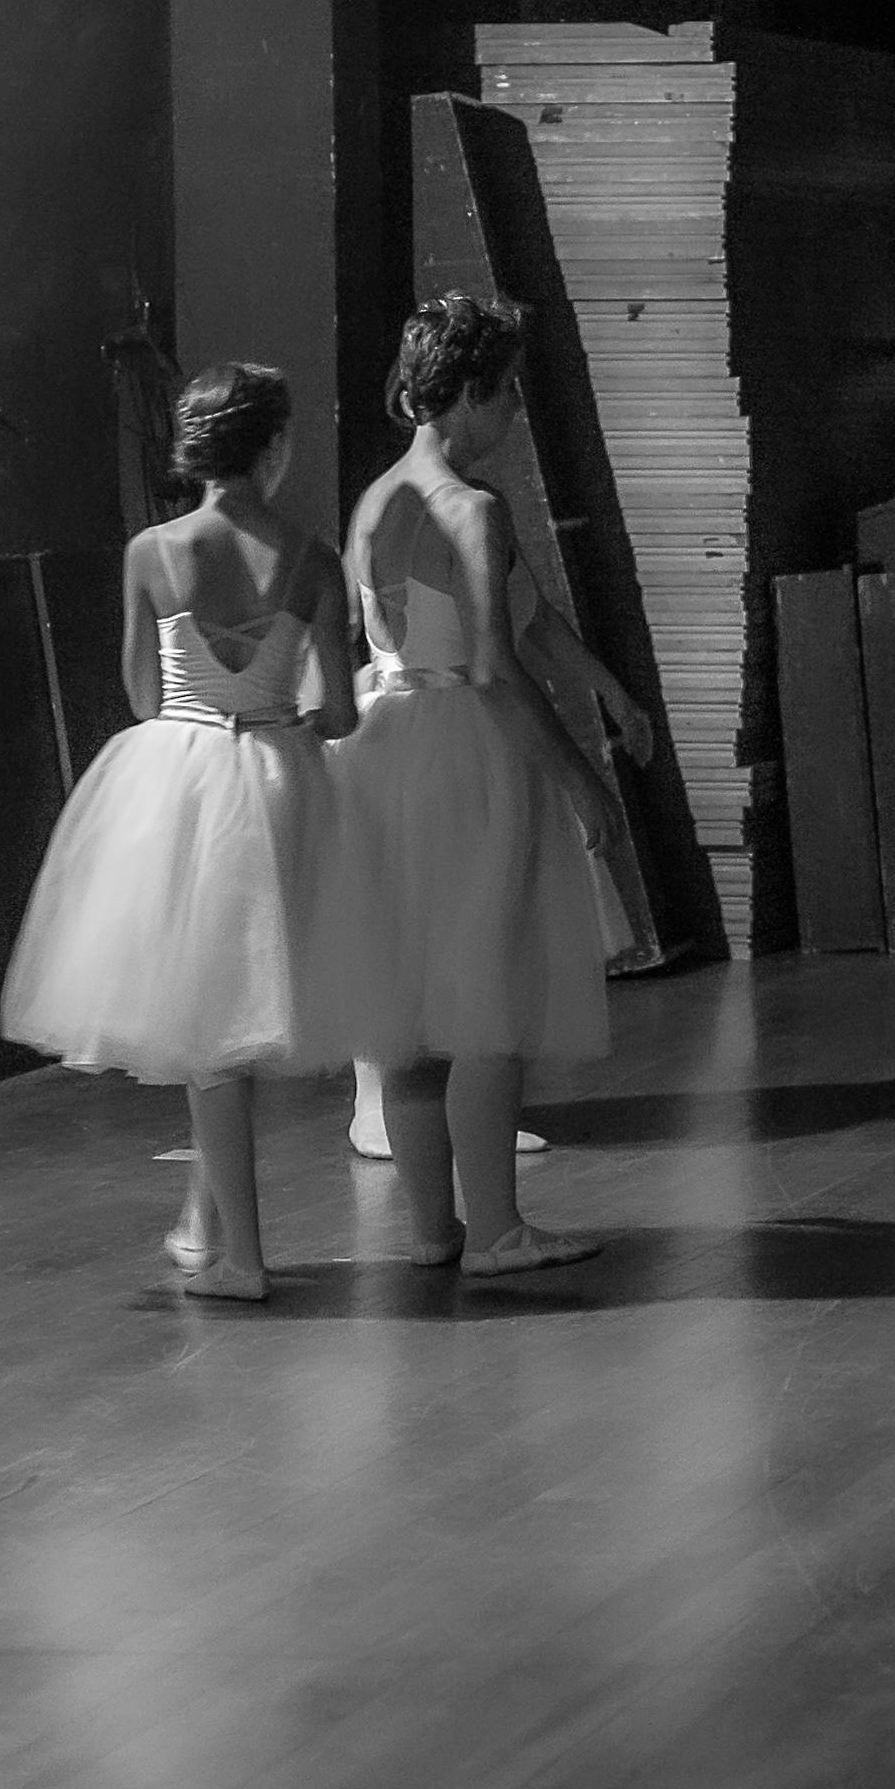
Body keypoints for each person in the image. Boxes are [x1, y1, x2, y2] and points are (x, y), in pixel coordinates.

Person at [0, 361, 358, 1303]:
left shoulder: (153, 552)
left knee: (210, 1023)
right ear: (273, 446)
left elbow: (143, 693)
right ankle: (210, 1227)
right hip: (280, 781)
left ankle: (238, 1254)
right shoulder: (313, 559)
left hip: (183, 782)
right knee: (241, 1014)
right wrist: (285, 710)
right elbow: (340, 713)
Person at [314, 293, 656, 1277]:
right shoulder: (472, 508)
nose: (514, 414)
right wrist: (581, 779)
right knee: (490, 994)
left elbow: (353, 634)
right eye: (505, 394)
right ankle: (499, 1229)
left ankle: (432, 1230)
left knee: (417, 1011)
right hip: (464, 751)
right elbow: (498, 664)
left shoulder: (376, 499)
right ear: (464, 393)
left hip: (386, 750)